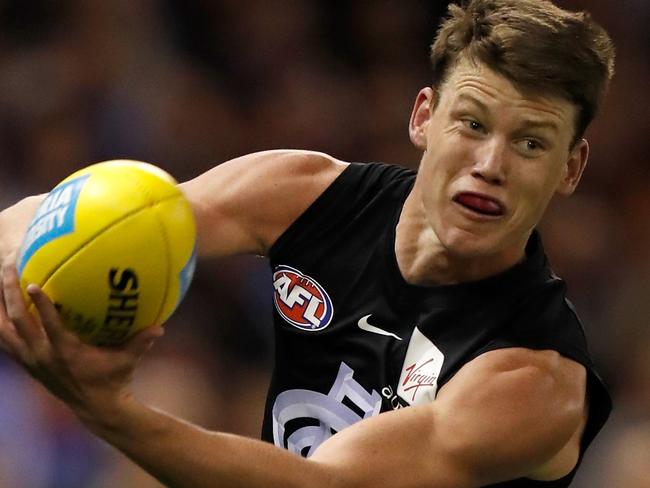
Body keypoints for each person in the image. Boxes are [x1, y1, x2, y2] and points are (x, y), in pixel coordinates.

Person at [0, 0, 616, 486]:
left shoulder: (535, 383)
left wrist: (110, 412)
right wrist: (26, 267)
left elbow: (325, 486)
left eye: (531, 143)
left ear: (571, 168)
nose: (490, 164)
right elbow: (74, 218)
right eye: (473, 123)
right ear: (423, 116)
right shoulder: (305, 193)